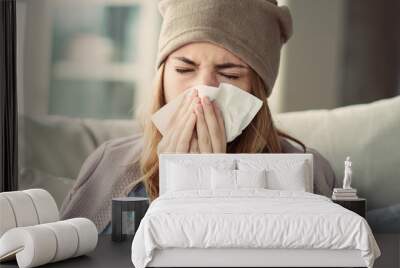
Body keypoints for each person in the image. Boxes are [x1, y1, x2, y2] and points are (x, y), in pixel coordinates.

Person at [60, 0, 339, 234]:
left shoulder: (306, 173)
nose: (202, 93)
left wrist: (212, 192)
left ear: (259, 91)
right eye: (184, 69)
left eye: (230, 74)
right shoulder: (108, 162)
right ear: (163, 75)